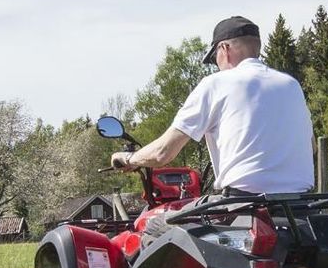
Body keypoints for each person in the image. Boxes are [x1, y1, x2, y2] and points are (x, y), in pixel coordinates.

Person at [111, 16, 314, 196]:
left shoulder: (217, 83)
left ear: (224, 49)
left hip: (246, 207)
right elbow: (312, 146)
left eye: (214, 57)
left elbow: (163, 153)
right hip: (301, 208)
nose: (216, 64)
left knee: (153, 227)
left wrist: (130, 159)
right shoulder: (291, 84)